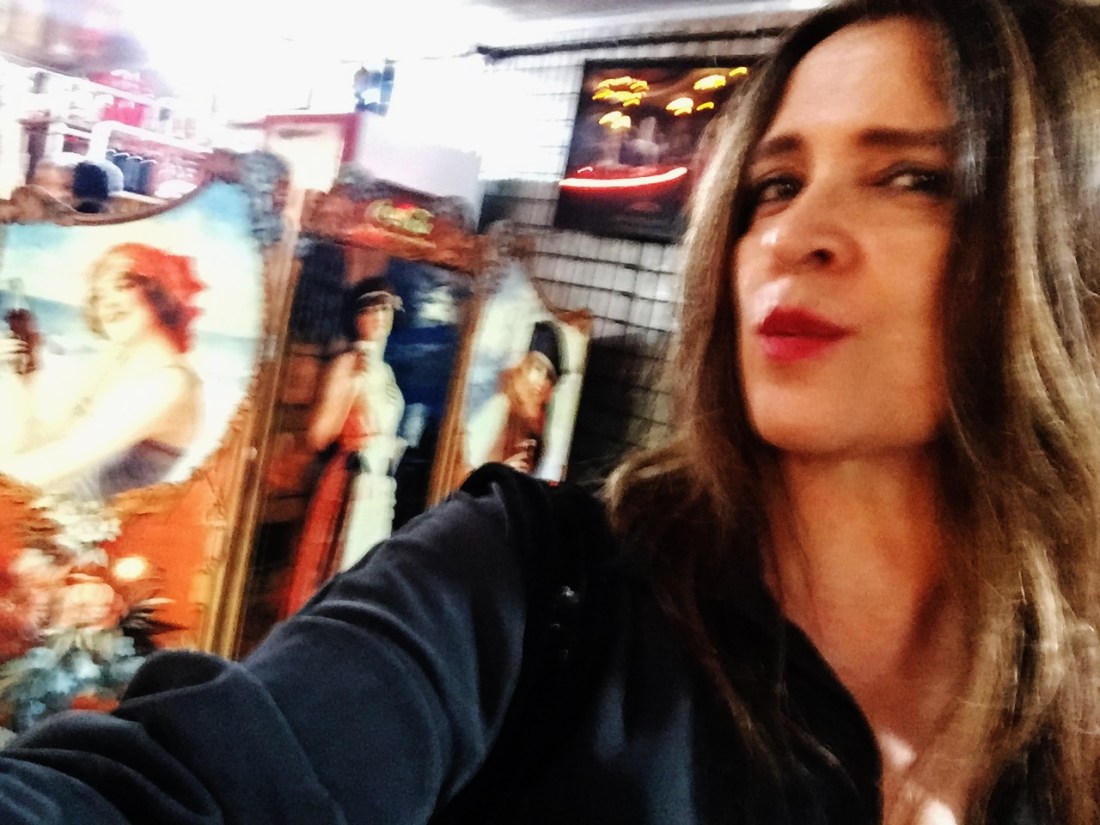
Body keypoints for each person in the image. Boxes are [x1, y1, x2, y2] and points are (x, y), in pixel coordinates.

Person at [1, 1, 1099, 822]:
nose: (790, 236)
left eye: (913, 178)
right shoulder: (530, 589)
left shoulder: (1065, 724)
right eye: (774, 184)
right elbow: (194, 779)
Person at [0, 242, 204, 501]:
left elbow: (61, 462)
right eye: (99, 297)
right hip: (51, 505)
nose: (108, 304)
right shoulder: (115, 359)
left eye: (123, 286)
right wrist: (26, 377)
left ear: (158, 291)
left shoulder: (170, 384)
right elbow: (41, 442)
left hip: (82, 521)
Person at [281, 276, 405, 616]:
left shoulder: (387, 370)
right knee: (338, 571)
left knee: (366, 574)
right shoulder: (347, 364)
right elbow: (318, 435)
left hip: (380, 484)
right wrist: (351, 387)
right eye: (370, 309)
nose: (378, 317)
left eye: (384, 309)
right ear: (357, 317)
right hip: (350, 482)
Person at [465, 319, 563, 474]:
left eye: (549, 376)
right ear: (525, 368)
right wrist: (502, 473)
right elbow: (471, 469)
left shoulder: (538, 428)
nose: (541, 381)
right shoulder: (500, 407)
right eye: (537, 369)